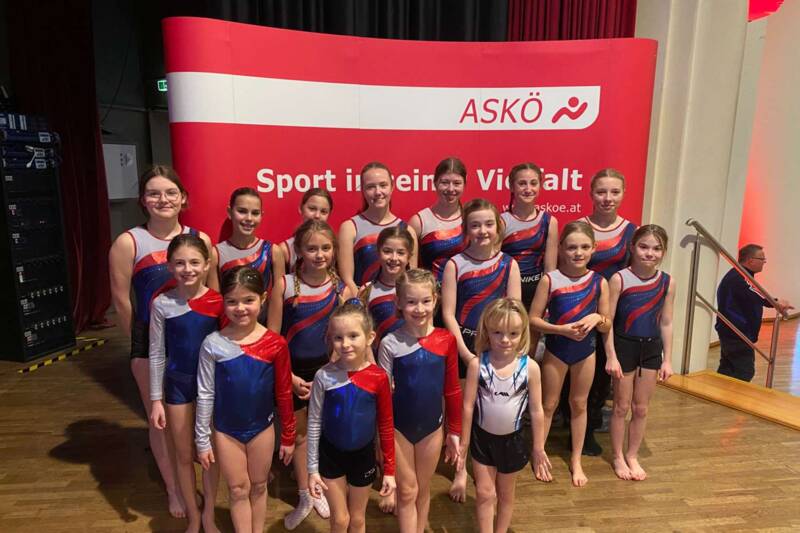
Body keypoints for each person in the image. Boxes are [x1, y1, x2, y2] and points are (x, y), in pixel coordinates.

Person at [108, 164, 215, 517]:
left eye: (170, 192)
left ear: (183, 198)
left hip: (196, 338)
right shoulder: (129, 242)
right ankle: (174, 488)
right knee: (161, 421)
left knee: (200, 416)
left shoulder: (202, 240)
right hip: (149, 340)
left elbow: (212, 295)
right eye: (153, 193)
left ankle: (203, 482)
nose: (163, 199)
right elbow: (122, 301)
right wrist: (141, 345)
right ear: (143, 200)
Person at [268, 219, 355, 529]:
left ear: (334, 250)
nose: (319, 254)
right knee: (301, 435)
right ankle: (305, 494)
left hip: (329, 370)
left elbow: (345, 339)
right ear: (299, 251)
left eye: (326, 248)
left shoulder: (341, 289)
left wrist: (329, 371)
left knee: (327, 434)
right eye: (312, 248)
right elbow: (273, 338)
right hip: (293, 373)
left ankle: (324, 488)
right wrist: (288, 376)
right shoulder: (284, 285)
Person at [195, 267, 296, 533]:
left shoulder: (275, 344)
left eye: (248, 300)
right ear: (223, 302)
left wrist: (288, 435)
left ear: (262, 299)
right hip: (226, 430)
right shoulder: (212, 344)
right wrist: (202, 439)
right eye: (232, 301)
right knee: (238, 489)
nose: (240, 308)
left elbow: (284, 392)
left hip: (262, 427)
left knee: (259, 485)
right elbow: (205, 393)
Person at [441, 197, 521, 502]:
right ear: (466, 229)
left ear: (498, 226)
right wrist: (464, 352)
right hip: (464, 346)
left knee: (490, 409)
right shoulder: (455, 264)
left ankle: (488, 465)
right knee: (465, 411)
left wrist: (506, 351)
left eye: (488, 224)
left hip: (497, 348)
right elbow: (448, 313)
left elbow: (515, 312)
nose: (482, 230)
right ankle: (461, 469)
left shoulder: (508, 264)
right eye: (475, 225)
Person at [377, 269, 462, 533]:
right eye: (411, 302)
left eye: (426, 301)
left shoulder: (446, 340)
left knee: (423, 490)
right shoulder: (390, 343)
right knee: (407, 491)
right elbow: (382, 397)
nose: (419, 308)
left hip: (432, 428)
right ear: (399, 303)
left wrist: (454, 431)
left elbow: (452, 390)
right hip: (398, 429)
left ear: (435, 300)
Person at [149, 235, 223, 532]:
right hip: (177, 384)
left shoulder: (218, 303)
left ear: (206, 265)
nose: (187, 269)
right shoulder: (162, 304)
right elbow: (157, 353)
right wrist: (156, 399)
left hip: (212, 388)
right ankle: (193, 515)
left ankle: (209, 515)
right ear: (169, 266)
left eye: (194, 262)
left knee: (209, 455)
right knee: (182, 455)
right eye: (179, 263)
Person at [529, 221, 611, 487]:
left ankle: (576, 459)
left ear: (594, 248)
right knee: (548, 405)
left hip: (586, 352)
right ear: (561, 248)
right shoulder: (550, 280)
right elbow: (533, 320)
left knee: (579, 404)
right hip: (557, 349)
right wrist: (560, 329)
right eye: (572, 247)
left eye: (585, 247)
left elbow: (607, 324)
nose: (578, 253)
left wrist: (598, 317)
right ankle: (538, 453)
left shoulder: (599, 282)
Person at [459, 298, 551, 533]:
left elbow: (536, 410)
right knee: (484, 493)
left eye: (513, 333)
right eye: (497, 332)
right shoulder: (477, 365)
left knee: (505, 494)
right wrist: (464, 443)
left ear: (523, 333)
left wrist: (538, 447)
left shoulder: (530, 368)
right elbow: (468, 406)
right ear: (487, 331)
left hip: (513, 441)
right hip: (482, 439)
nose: (505, 340)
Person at [307, 303, 396, 533]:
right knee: (340, 520)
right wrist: (312, 469)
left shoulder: (378, 378)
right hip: (330, 455)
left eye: (353, 336)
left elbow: (386, 424)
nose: (345, 344)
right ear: (331, 339)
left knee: (357, 520)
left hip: (363, 455)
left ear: (370, 338)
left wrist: (389, 470)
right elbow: (314, 423)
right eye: (338, 338)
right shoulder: (323, 376)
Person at [605, 225, 676, 481]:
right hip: (625, 345)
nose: (650, 253)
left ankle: (632, 454)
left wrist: (667, 359)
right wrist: (611, 355)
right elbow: (608, 321)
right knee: (621, 406)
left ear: (663, 252)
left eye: (656, 248)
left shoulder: (667, 281)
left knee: (642, 408)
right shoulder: (619, 279)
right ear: (632, 247)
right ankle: (617, 456)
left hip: (651, 348)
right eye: (644, 247)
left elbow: (666, 322)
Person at [578, 168, 637, 456]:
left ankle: (589, 430)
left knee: (602, 374)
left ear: (623, 194)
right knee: (578, 374)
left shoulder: (631, 231)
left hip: (611, 314)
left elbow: (633, 273)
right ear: (591, 194)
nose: (607, 198)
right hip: (579, 307)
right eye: (601, 191)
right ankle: (574, 426)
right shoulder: (579, 226)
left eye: (614, 192)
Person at [715, 244, 793, 382]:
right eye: (762, 259)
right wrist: (776, 302)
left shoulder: (739, 275)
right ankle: (734, 395)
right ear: (750, 260)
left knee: (728, 369)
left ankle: (721, 393)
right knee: (744, 371)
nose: (764, 262)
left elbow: (754, 294)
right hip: (737, 332)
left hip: (734, 331)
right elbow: (756, 294)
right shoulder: (739, 277)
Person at [339, 161, 417, 293]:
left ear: (392, 187)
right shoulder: (349, 228)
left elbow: (412, 278)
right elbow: (347, 280)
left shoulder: (408, 230)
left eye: (383, 185)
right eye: (370, 187)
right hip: (362, 303)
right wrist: (362, 301)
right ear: (363, 190)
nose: (378, 192)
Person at [215, 187, 284, 322]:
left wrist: (271, 333)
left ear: (261, 215)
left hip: (264, 329)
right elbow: (217, 303)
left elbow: (278, 302)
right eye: (242, 211)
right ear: (230, 212)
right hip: (230, 328)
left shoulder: (273, 251)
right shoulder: (216, 254)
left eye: (255, 213)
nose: (249, 218)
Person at [500, 162, 558, 309]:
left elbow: (550, 268)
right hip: (506, 291)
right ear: (511, 187)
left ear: (540, 186)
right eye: (522, 184)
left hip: (536, 293)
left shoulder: (549, 222)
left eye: (533, 183)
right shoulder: (501, 221)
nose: (528, 189)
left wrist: (546, 302)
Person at [408, 157, 466, 283]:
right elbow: (410, 272)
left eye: (457, 183)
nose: (451, 189)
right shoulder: (419, 222)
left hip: (465, 291)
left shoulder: (470, 218)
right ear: (434, 183)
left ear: (464, 184)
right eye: (444, 182)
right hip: (430, 293)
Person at [360, 226, 414, 350]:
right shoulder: (366, 290)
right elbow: (362, 335)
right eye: (387, 251)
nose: (394, 258)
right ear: (378, 253)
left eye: (400, 253)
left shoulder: (418, 289)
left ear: (409, 256)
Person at [279, 188, 333, 272]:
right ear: (301, 209)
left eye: (323, 211)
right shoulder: (285, 250)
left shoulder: (335, 247)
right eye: (312, 209)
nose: (317, 215)